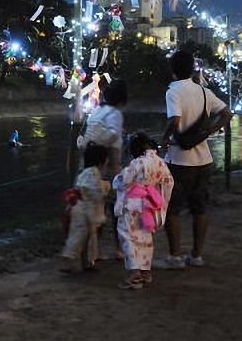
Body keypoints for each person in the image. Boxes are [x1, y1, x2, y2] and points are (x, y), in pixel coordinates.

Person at [156, 50, 233, 269]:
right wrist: (209, 131)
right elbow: (227, 113)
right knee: (200, 208)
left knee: (172, 209)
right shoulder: (204, 92)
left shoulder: (173, 91)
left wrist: (164, 139)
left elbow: (175, 119)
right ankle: (196, 255)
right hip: (204, 160)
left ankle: (176, 256)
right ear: (192, 69)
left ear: (172, 70)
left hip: (180, 161)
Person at [113, 133, 174, 289]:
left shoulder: (138, 162)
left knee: (128, 237)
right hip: (149, 205)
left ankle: (134, 273)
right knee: (145, 237)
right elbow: (168, 182)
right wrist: (161, 201)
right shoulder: (161, 162)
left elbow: (123, 180)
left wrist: (116, 181)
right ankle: (146, 271)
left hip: (132, 205)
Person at [77, 79, 128, 259]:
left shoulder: (97, 111)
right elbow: (113, 136)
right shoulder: (115, 114)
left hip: (89, 166)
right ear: (122, 101)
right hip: (108, 166)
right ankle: (119, 248)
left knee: (95, 211)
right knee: (116, 211)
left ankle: (95, 250)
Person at [60, 142, 110, 272]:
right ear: (101, 161)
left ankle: (87, 262)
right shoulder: (92, 173)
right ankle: (71, 262)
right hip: (83, 210)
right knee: (79, 237)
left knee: (85, 237)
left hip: (81, 208)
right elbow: (92, 190)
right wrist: (106, 189)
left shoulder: (87, 172)